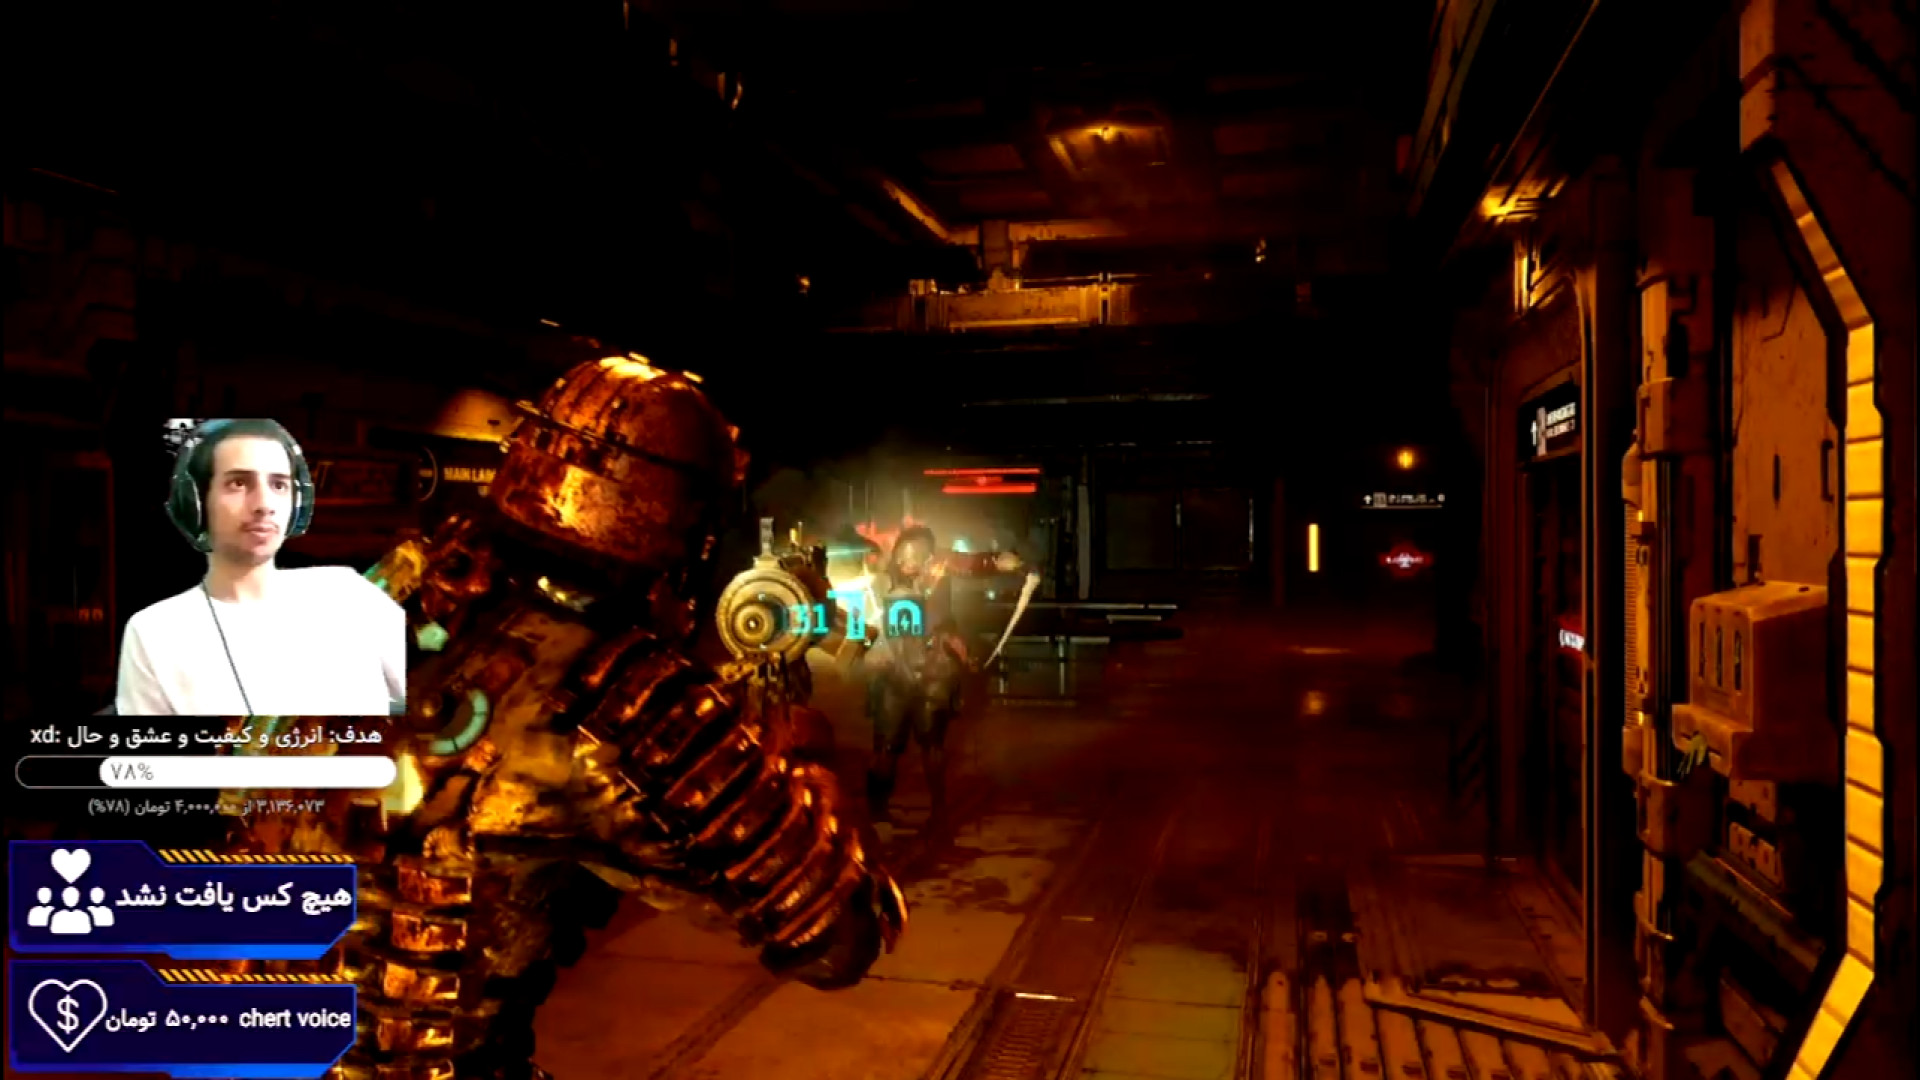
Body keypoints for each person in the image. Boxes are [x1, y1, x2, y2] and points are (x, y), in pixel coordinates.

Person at [224, 356, 905, 1080]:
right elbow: (839, 942)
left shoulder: (387, 593)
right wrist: (809, 762)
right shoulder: (618, 693)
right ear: (683, 523)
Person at [114, 419, 405, 716]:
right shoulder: (154, 632)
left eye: (279, 485)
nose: (264, 504)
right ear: (197, 502)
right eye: (239, 483)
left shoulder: (349, 592)